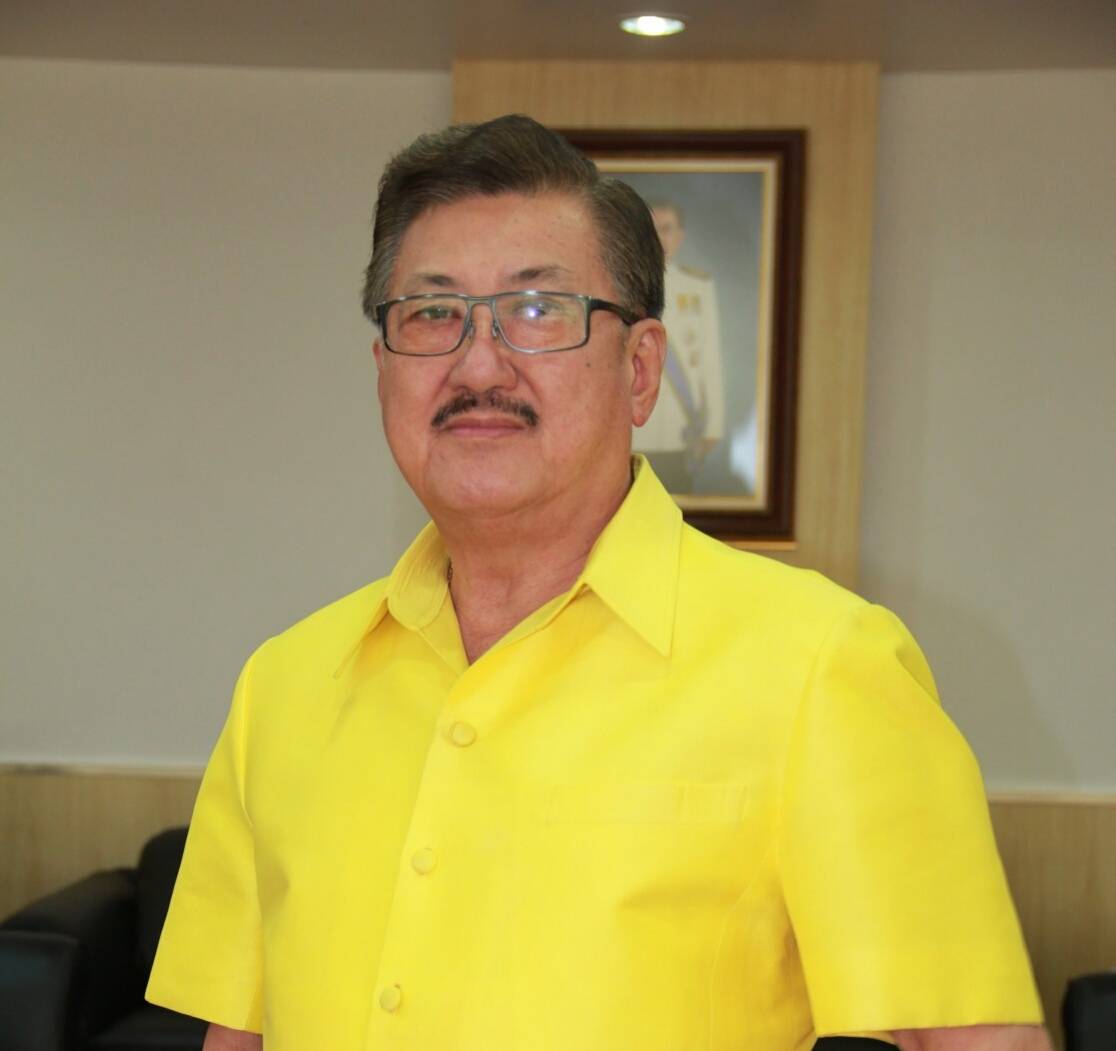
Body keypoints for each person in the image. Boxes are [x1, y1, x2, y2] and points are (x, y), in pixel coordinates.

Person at [146, 114, 1050, 1051]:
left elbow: (979, 1042)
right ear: (383, 368)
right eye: (432, 313)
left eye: (540, 309)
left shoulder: (824, 666)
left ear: (641, 370)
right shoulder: (283, 686)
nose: (478, 362)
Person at [634, 200, 725, 492]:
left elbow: (710, 359)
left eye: (666, 229)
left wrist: (713, 426)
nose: (658, 238)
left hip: (680, 424)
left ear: (679, 236)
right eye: (651, 230)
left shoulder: (698, 287)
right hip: (633, 428)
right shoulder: (619, 285)